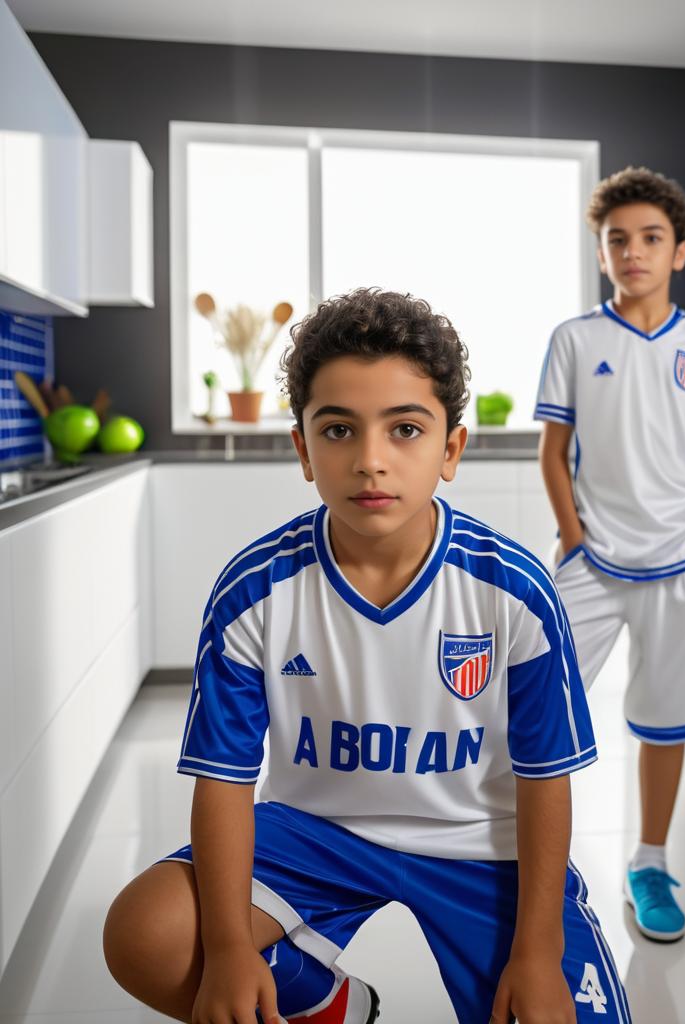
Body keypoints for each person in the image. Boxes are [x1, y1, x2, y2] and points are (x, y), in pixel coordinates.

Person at [103, 289, 630, 1024]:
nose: (370, 461)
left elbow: (546, 779)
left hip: (483, 842)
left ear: (451, 449)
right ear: (302, 449)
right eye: (340, 429)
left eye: (406, 429)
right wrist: (227, 948)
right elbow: (225, 780)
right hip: (320, 833)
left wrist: (535, 953)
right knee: (147, 936)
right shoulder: (254, 591)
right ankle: (332, 1009)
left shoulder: (514, 590)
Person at [535, 167, 685, 943]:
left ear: (679, 252)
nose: (634, 251)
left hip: (683, 567)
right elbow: (552, 452)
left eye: (650, 238)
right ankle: (531, 862)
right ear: (601, 253)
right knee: (540, 706)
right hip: (592, 562)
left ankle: (649, 863)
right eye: (617, 239)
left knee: (663, 724)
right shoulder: (575, 339)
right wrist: (573, 536)